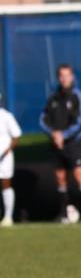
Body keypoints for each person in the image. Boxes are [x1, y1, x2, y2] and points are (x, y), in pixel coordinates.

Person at [40, 64, 81, 224]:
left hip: (74, 144)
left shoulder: (78, 96)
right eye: (61, 76)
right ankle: (63, 214)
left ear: (72, 77)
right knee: (60, 177)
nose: (64, 78)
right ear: (58, 78)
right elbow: (43, 120)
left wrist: (64, 135)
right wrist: (54, 134)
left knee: (80, 175)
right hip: (57, 144)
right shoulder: (53, 98)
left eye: (67, 75)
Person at [0, 93, 21, 227]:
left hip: (4, 158)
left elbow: (16, 136)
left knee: (5, 183)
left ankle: (8, 217)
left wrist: (6, 151)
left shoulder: (6, 116)